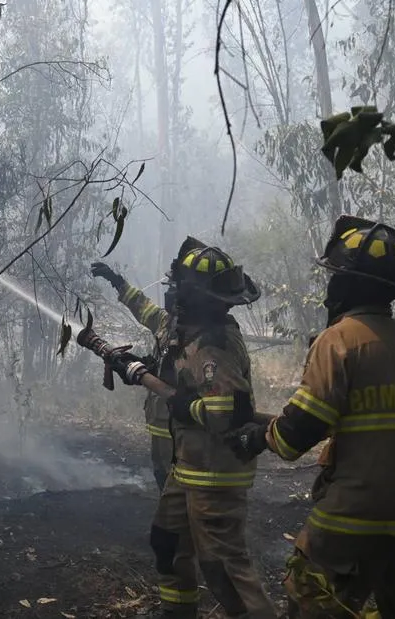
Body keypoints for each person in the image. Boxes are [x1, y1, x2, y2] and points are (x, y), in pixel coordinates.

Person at [224, 215, 395, 619]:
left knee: (309, 600)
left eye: (336, 277)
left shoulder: (337, 340)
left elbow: (298, 431)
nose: (330, 288)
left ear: (350, 285)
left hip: (351, 513)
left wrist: (257, 438)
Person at [106, 238, 276, 619]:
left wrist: (183, 404)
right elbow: (149, 315)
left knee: (223, 568)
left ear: (199, 299)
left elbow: (226, 415)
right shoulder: (188, 332)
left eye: (180, 291)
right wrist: (120, 286)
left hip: (215, 474)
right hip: (187, 469)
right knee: (168, 544)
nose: (173, 297)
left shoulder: (214, 345)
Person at [90, 260, 176, 489]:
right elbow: (141, 304)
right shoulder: (167, 322)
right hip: (161, 420)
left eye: (174, 288)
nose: (169, 294)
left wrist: (143, 370)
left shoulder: (199, 336)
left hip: (182, 425)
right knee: (163, 476)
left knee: (179, 483)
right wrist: (116, 281)